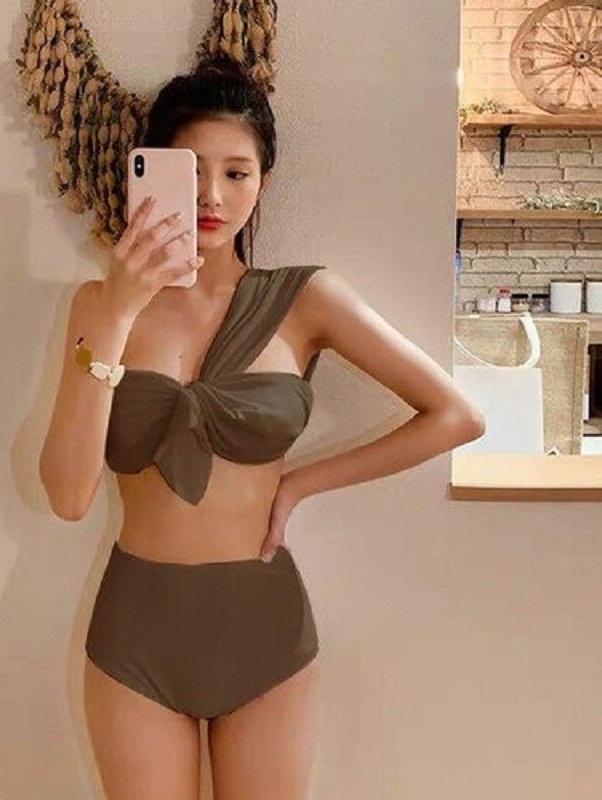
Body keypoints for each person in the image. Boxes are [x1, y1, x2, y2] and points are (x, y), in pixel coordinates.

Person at [39, 56, 484, 800]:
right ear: (150, 175)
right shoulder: (97, 305)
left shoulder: (306, 299)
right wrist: (118, 313)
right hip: (135, 632)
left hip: (264, 630)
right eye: (190, 171)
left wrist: (301, 484)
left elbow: (456, 415)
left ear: (263, 183)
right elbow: (67, 494)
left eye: (236, 173)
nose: (211, 196)